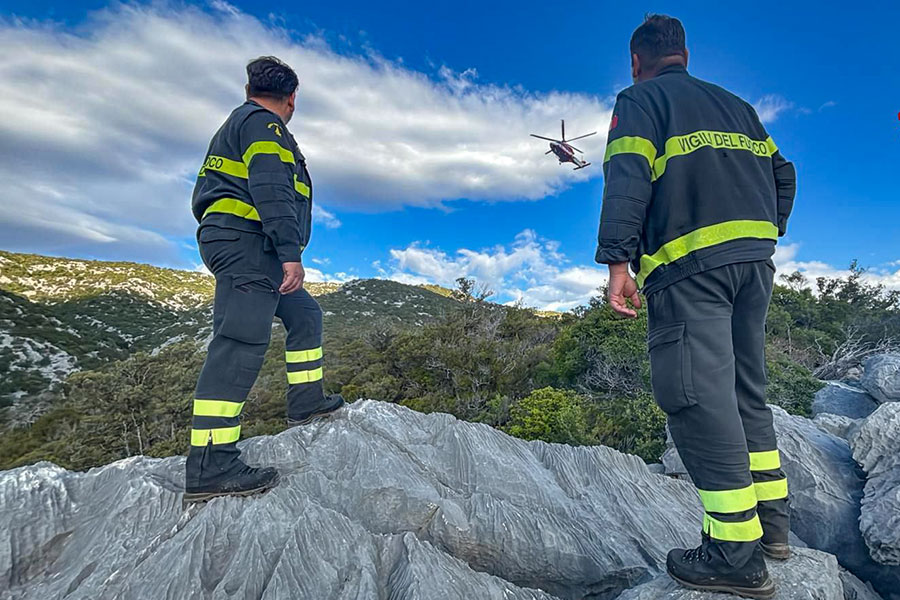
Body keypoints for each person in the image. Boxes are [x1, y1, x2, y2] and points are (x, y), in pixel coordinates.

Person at [595, 15, 796, 599]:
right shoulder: (739, 107)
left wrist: (617, 263)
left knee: (695, 397)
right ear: (685, 54)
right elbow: (784, 174)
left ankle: (734, 556)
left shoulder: (639, 100)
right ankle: (773, 529)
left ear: (637, 62)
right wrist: (764, 231)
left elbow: (627, 178)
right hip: (753, 265)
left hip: (690, 271)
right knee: (745, 391)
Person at [184, 56, 344, 505]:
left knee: (305, 314)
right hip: (248, 244)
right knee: (240, 342)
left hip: (256, 248)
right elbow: (272, 189)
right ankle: (210, 465)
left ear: (249, 88)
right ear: (292, 99)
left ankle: (306, 403)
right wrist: (291, 254)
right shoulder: (263, 126)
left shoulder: (247, 123)